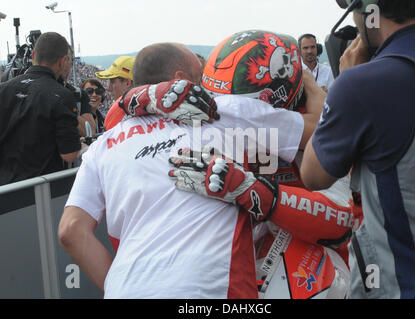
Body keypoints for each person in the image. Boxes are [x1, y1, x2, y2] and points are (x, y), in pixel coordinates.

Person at [58, 37, 319, 298]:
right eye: (202, 77)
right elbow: (322, 128)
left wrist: (119, 286)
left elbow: (70, 230)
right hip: (209, 289)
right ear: (181, 77)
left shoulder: (103, 144)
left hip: (126, 289)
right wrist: (307, 79)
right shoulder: (221, 110)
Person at [300, 0, 415, 299]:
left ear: (369, 12)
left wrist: (342, 85)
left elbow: (314, 175)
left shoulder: (361, 83)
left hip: (409, 285)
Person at [0, 32, 84, 186]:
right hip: (42, 194)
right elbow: (70, 155)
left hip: (5, 194)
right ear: (62, 61)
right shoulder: (62, 95)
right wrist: (80, 145)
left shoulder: (3, 89)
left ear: (33, 55)